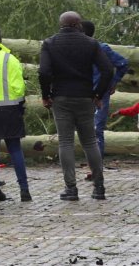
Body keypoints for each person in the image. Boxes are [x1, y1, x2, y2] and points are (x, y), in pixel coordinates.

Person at [39, 11, 113, 201]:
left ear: (61, 24)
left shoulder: (50, 43)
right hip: (85, 97)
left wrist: (46, 95)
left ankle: (71, 188)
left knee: (65, 142)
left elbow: (44, 72)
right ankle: (99, 187)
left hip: (61, 97)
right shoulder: (91, 43)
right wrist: (98, 94)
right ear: (78, 24)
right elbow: (107, 70)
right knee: (90, 142)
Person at [0, 24, 30, 202]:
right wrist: (19, 105)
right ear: (0, 38)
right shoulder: (10, 59)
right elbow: (19, 88)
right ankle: (24, 190)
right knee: (15, 149)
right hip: (10, 110)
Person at [81, 20, 131, 160]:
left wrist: (113, 82)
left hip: (100, 95)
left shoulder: (102, 48)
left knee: (97, 129)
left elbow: (123, 63)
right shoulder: (75, 50)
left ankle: (96, 165)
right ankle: (91, 162)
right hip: (81, 95)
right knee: (84, 130)